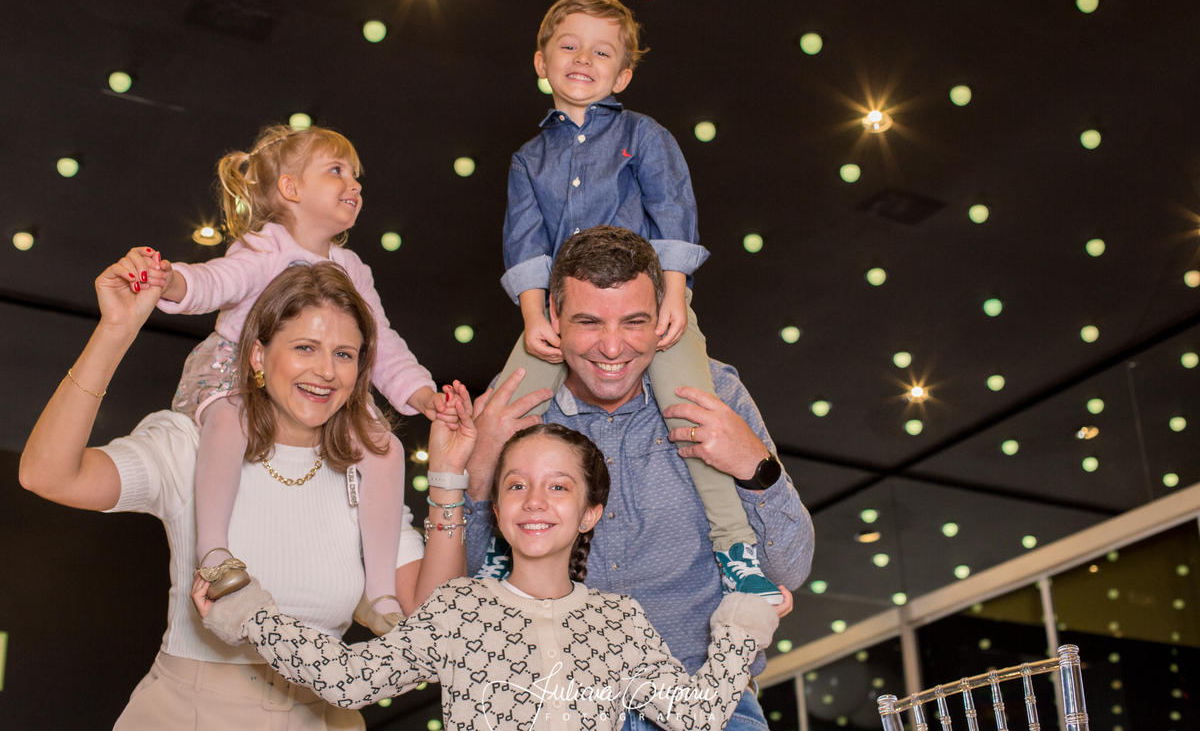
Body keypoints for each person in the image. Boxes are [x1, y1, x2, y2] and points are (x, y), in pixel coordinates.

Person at [19, 260, 470, 730]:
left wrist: (448, 475)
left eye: (344, 354)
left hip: (322, 717)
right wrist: (115, 331)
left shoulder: (364, 469)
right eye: (305, 347)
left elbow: (431, 617)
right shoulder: (190, 445)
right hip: (190, 715)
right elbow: (47, 475)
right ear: (258, 355)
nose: (326, 371)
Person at [194, 423, 782, 731]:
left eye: (559, 487)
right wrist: (249, 615)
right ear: (498, 509)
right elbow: (348, 679)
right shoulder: (460, 609)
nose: (535, 500)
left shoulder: (619, 620)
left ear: (590, 514)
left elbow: (698, 714)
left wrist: (746, 620)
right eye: (517, 485)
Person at [469, 225, 815, 731]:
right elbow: (463, 581)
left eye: (634, 322)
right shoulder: (511, 409)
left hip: (712, 701)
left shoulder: (715, 393)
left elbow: (790, 570)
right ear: (554, 320)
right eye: (589, 322)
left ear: (663, 318)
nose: (613, 347)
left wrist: (754, 466)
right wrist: (478, 468)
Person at [495, 0, 779, 602]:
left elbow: (674, 212)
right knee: (504, 410)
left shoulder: (643, 135)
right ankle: (500, 548)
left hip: (655, 307)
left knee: (692, 411)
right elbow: (523, 241)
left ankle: (734, 546)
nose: (583, 59)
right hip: (560, 315)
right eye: (569, 46)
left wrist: (675, 296)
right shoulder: (528, 159)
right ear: (541, 61)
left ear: (622, 74)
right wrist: (534, 315)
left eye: (602, 52)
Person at [135, 123, 439, 633]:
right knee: (229, 420)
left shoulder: (352, 269)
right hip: (239, 370)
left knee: (384, 448)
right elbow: (217, 280)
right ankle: (215, 553)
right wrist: (173, 281)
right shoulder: (265, 247)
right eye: (337, 170)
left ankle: (378, 589)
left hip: (320, 383)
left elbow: (379, 341)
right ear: (291, 188)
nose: (354, 184)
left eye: (357, 176)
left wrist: (421, 392)